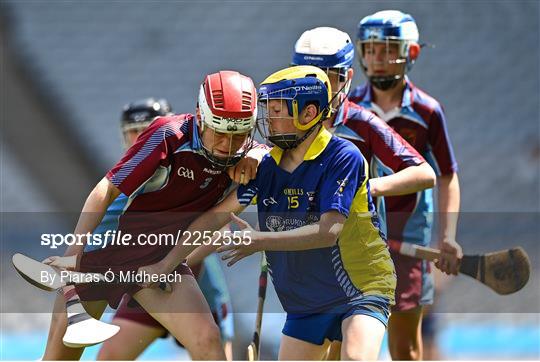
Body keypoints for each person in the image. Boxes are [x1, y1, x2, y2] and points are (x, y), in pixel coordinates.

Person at [139, 66, 396, 360]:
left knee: (355, 359)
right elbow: (216, 217)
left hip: (360, 290)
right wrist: (169, 262)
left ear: (308, 114)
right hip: (307, 301)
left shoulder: (343, 157)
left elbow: (329, 231)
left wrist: (260, 241)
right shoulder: (268, 167)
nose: (267, 118)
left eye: (276, 110)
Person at [41, 70, 260, 361]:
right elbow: (104, 190)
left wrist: (167, 263)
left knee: (207, 339)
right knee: (60, 358)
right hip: (102, 250)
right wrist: (74, 251)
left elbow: (212, 221)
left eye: (239, 135)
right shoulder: (169, 135)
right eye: (220, 133)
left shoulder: (255, 164)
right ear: (201, 116)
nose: (228, 146)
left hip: (156, 255)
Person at [290, 26, 436, 359]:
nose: (322, 86)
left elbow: (423, 172)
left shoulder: (362, 123)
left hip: (360, 261)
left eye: (331, 76)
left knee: (355, 355)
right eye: (312, 76)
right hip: (308, 262)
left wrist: (368, 187)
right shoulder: (284, 121)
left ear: (347, 76)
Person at [350, 10, 462, 360]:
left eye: (387, 51)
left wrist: (447, 236)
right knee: (342, 337)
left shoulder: (428, 112)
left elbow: (446, 175)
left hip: (408, 236)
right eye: (370, 50)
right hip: (357, 237)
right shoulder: (349, 107)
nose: (377, 60)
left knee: (406, 347)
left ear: (411, 54)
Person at [95, 98, 235, 360]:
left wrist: (168, 265)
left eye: (144, 130)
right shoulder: (129, 177)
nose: (139, 138)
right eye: (132, 132)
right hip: (147, 285)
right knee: (108, 358)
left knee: (212, 350)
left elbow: (219, 233)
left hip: (197, 287)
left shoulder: (195, 166)